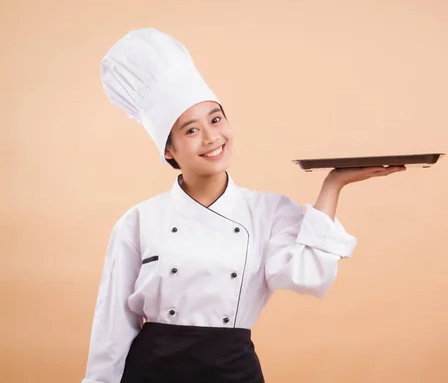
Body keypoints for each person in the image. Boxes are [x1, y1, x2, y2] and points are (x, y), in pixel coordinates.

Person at [81, 27, 404, 383]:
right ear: (168, 150)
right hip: (152, 372)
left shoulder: (269, 211)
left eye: (216, 119)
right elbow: (112, 327)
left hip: (232, 371)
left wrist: (334, 183)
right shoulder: (139, 221)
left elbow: (306, 274)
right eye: (191, 130)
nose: (211, 137)